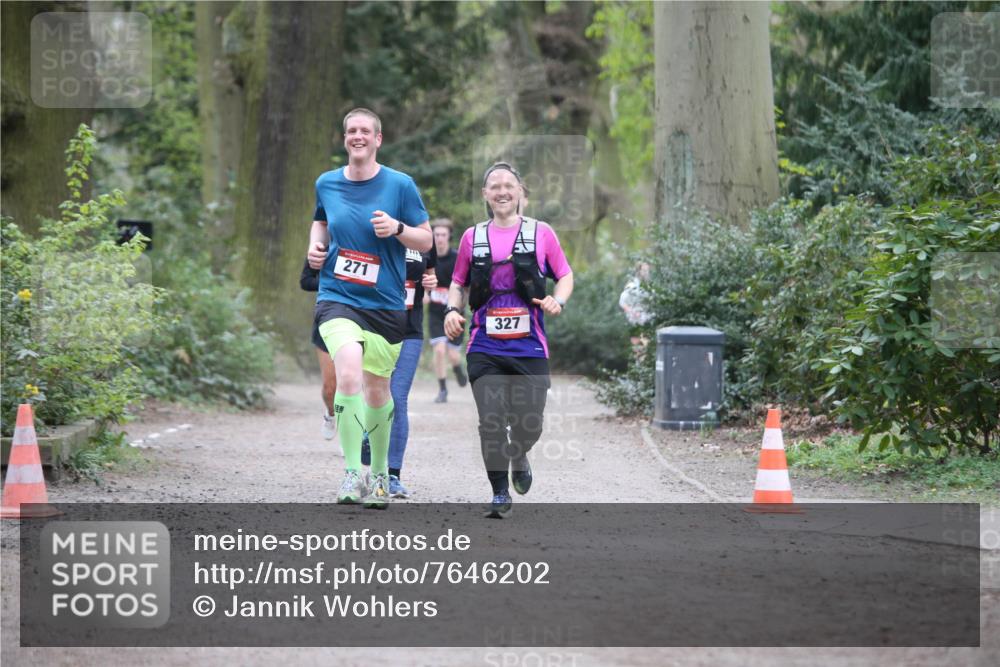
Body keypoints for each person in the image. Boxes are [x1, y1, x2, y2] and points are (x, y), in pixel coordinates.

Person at [308, 108, 432, 509]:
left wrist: (397, 229)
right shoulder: (326, 183)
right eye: (350, 131)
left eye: (365, 131)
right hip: (338, 296)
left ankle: (379, 472)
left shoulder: (400, 185)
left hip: (385, 303)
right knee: (347, 375)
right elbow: (321, 220)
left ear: (378, 139)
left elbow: (426, 241)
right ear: (344, 138)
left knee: (378, 390)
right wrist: (315, 247)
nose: (357, 136)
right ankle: (350, 472)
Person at [444, 162, 573, 518]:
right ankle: (500, 492)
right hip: (484, 345)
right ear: (485, 195)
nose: (502, 191)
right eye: (494, 186)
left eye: (509, 185)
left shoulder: (541, 233)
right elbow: (458, 283)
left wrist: (556, 300)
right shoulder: (473, 237)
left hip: (529, 345)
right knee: (490, 420)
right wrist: (451, 311)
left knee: (530, 422)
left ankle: (519, 451)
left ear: (520, 193)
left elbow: (564, 275)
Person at [386, 247, 438, 498]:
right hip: (374, 324)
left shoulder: (424, 238)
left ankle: (393, 475)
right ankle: (365, 446)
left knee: (397, 398)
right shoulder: (375, 226)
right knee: (370, 395)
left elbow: (430, 275)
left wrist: (431, 281)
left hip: (410, 330)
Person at [426, 218, 467, 402]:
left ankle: (458, 368)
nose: (440, 238)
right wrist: (424, 293)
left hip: (455, 313)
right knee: (440, 350)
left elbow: (465, 285)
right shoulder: (427, 256)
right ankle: (442, 390)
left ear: (449, 236)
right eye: (437, 235)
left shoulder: (457, 258)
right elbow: (420, 279)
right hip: (435, 313)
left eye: (443, 234)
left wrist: (460, 304)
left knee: (453, 354)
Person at [299, 259, 338, 440]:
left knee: (355, 384)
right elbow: (305, 281)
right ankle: (331, 414)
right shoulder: (323, 247)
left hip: (361, 316)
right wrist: (334, 280)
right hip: (328, 316)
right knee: (330, 387)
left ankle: (351, 434)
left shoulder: (369, 242)